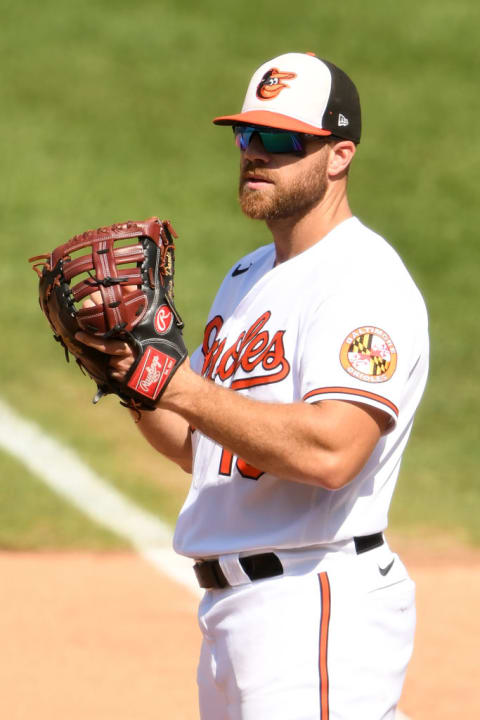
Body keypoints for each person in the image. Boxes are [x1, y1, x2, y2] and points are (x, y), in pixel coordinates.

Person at [77, 52, 429, 720]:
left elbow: (334, 453)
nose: (255, 155)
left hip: (314, 601)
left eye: (280, 141)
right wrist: (126, 372)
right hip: (237, 615)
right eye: (247, 136)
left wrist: (176, 384)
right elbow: (199, 444)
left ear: (339, 155)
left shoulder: (363, 280)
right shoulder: (247, 277)